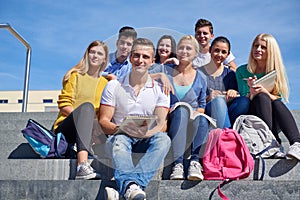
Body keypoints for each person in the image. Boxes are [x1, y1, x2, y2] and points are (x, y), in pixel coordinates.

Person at [99, 38, 171, 200]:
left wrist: (144, 132)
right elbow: (104, 121)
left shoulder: (161, 89)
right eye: (136, 56)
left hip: (148, 137)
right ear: (130, 58)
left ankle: (127, 187)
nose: (140, 60)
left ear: (153, 61)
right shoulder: (114, 86)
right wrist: (123, 129)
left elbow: (162, 124)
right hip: (119, 136)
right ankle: (132, 187)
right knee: (119, 141)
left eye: (145, 57)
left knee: (164, 140)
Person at [236, 33, 300, 160]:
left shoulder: (277, 71)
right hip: (253, 116)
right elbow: (243, 100)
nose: (258, 50)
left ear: (270, 51)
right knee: (261, 97)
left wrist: (265, 91)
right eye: (256, 46)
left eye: (263, 47)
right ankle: (273, 142)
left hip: (272, 116)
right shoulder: (242, 71)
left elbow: (279, 99)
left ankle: (296, 143)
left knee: (272, 101)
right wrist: (252, 91)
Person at [53, 40, 109, 179]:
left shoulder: (105, 83)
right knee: (87, 108)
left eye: (99, 53)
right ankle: (82, 165)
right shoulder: (75, 75)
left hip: (91, 131)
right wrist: (84, 119)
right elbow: (64, 105)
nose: (95, 56)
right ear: (87, 55)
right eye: (92, 52)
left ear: (104, 59)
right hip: (67, 128)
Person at [165, 35, 209, 181]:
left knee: (202, 118)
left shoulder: (201, 77)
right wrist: (160, 74)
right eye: (181, 48)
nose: (184, 51)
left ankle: (195, 162)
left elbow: (202, 105)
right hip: (172, 119)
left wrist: (196, 113)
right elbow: (144, 75)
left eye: (188, 48)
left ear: (196, 53)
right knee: (182, 109)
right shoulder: (166, 71)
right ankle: (177, 164)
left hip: (192, 122)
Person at [199, 36, 249, 128]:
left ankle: (227, 129)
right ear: (210, 50)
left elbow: (239, 93)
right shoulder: (199, 73)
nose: (219, 54)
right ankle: (227, 135)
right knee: (218, 101)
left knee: (244, 102)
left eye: (223, 52)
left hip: (228, 111)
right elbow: (194, 98)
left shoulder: (231, 74)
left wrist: (233, 93)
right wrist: (209, 97)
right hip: (209, 110)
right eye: (216, 50)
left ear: (228, 54)